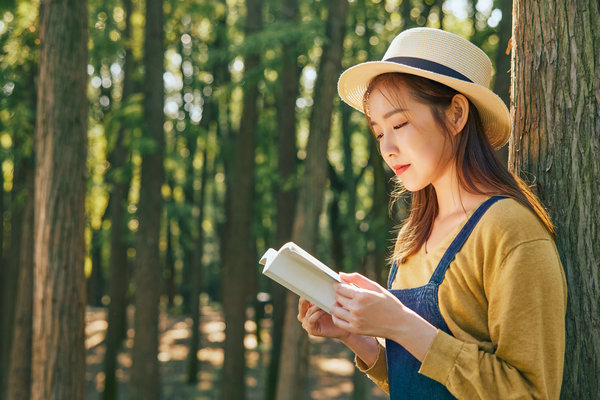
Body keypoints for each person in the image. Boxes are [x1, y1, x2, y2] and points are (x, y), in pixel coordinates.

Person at [297, 27, 567, 399]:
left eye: (399, 124)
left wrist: (402, 324)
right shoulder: (414, 237)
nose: (387, 148)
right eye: (378, 133)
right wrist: (359, 337)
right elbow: (424, 380)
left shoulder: (510, 231)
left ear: (456, 114)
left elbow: (532, 392)